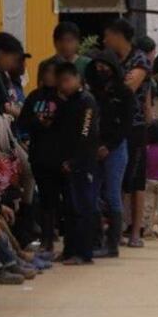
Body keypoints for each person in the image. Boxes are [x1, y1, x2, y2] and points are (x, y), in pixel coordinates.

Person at [103, 18, 152, 248]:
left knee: (135, 180)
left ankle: (135, 231)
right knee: (116, 179)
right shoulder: (110, 59)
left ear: (118, 35)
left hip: (134, 125)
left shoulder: (139, 58)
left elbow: (128, 88)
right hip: (111, 124)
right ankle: (118, 228)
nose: (104, 40)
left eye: (107, 36)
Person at [84, 50, 134, 258]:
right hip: (93, 149)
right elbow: (86, 123)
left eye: (105, 65)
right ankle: (96, 240)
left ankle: (112, 245)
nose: (101, 69)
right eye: (98, 66)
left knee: (113, 195)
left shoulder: (124, 93)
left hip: (115, 149)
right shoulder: (90, 94)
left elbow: (126, 125)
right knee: (92, 195)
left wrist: (108, 146)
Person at [17, 59, 64, 257]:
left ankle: (59, 235)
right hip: (39, 154)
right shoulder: (35, 97)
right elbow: (23, 121)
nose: (49, 77)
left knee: (61, 198)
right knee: (45, 198)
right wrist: (37, 125)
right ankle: (45, 239)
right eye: (47, 73)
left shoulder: (64, 98)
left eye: (54, 73)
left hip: (59, 155)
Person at [54, 62, 99, 265]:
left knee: (83, 208)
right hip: (67, 162)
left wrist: (75, 161)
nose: (63, 85)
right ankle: (69, 249)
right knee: (69, 210)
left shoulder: (86, 101)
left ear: (77, 79)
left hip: (83, 162)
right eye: (60, 81)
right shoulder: (67, 102)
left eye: (66, 80)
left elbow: (85, 133)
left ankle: (83, 252)